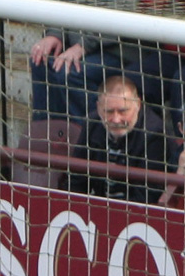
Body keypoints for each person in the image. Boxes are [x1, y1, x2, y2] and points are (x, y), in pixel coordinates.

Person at [29, 0, 163, 124]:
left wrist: (83, 45)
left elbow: (120, 13)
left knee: (71, 71)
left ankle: (89, 139)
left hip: (123, 51)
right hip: (88, 45)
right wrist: (54, 34)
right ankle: (48, 136)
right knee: (40, 60)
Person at [67, 76, 169, 204]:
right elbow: (75, 181)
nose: (116, 119)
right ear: (98, 108)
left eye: (123, 111)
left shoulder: (154, 135)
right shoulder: (92, 124)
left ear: (137, 104)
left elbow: (146, 198)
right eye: (109, 112)